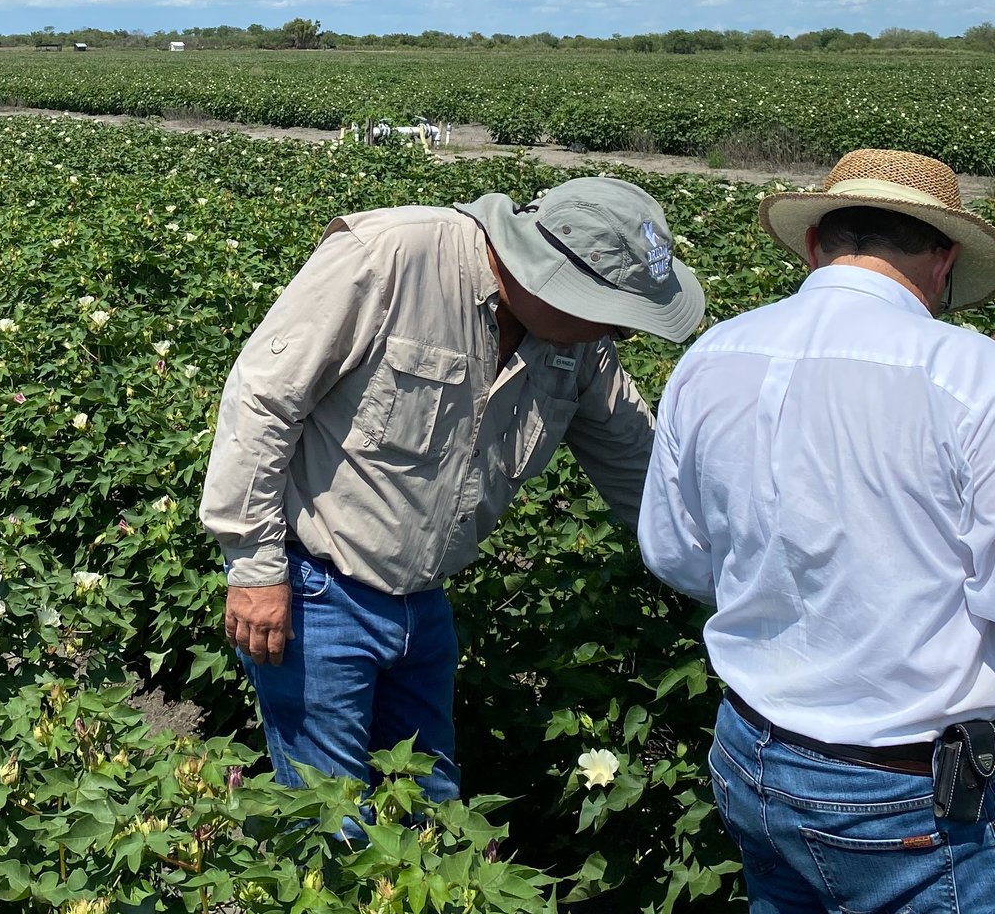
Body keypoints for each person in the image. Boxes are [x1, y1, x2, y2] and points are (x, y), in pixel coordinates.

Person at [638, 147, 995, 914]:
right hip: (904, 792)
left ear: (814, 242)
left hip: (752, 753)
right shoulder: (969, 376)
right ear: (941, 262)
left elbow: (675, 554)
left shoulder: (711, 357)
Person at [200, 178, 704, 804]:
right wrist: (253, 566)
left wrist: (729, 575)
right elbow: (263, 401)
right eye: (614, 316)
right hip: (315, 595)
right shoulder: (393, 256)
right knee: (331, 818)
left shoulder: (580, 348)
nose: (620, 336)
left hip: (425, 602)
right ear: (556, 280)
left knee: (432, 808)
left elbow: (642, 466)